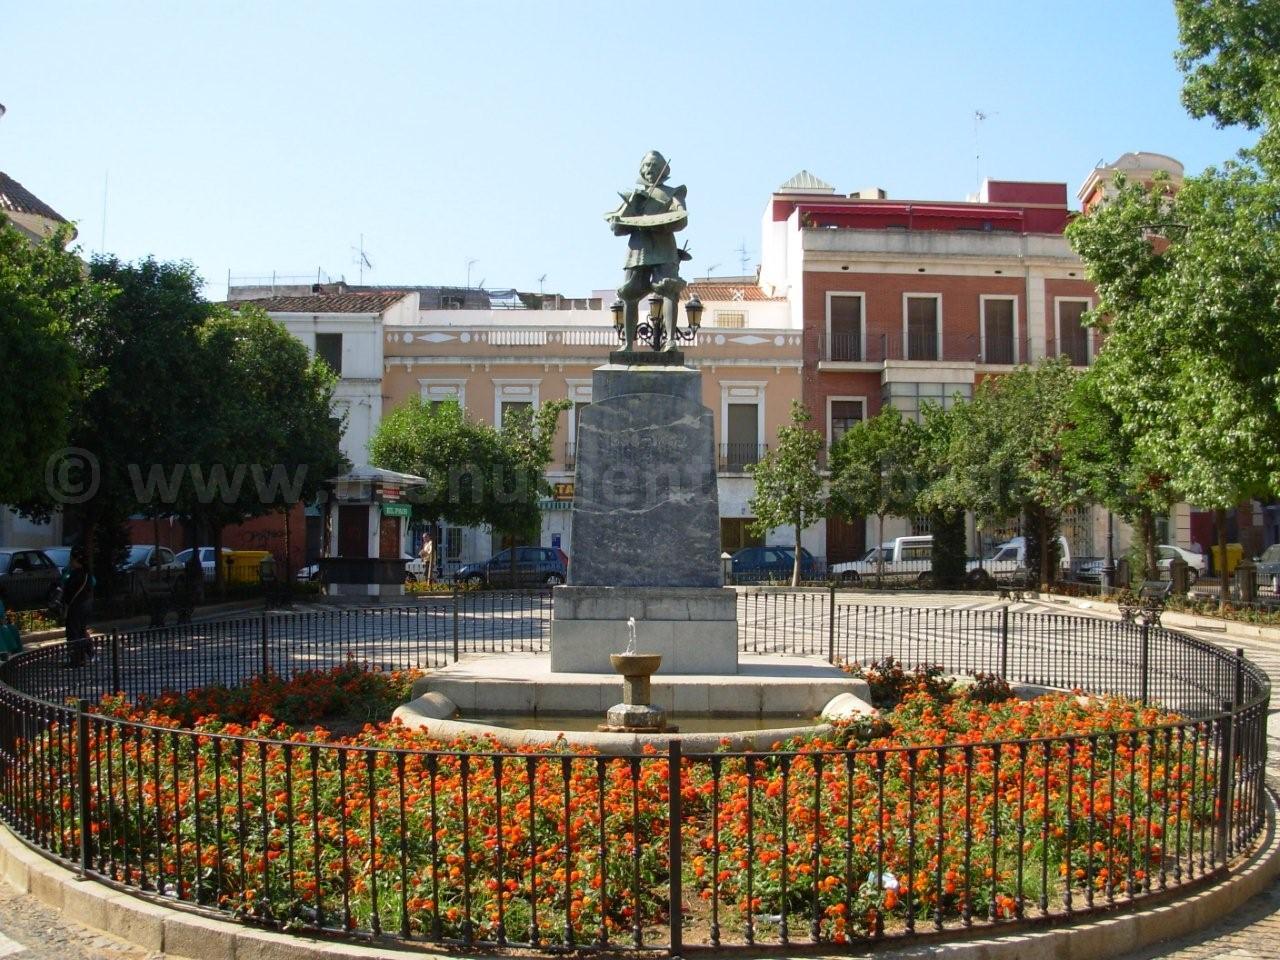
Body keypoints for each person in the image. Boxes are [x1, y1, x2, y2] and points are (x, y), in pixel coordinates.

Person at [606, 150, 690, 352]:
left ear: (663, 169)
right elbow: (616, 228)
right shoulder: (635, 196)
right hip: (638, 249)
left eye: (654, 165)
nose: (649, 169)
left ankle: (670, 341)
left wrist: (658, 222)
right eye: (646, 165)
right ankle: (627, 344)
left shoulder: (673, 192)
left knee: (669, 289)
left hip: (663, 248)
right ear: (641, 169)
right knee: (629, 293)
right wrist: (632, 206)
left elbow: (681, 219)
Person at [62, 547, 93, 668]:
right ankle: (82, 658)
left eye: (72, 559)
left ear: (76, 560)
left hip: (76, 607)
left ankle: (76, 659)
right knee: (81, 631)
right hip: (85, 606)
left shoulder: (76, 574)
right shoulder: (87, 574)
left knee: (73, 633)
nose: (70, 561)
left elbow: (69, 591)